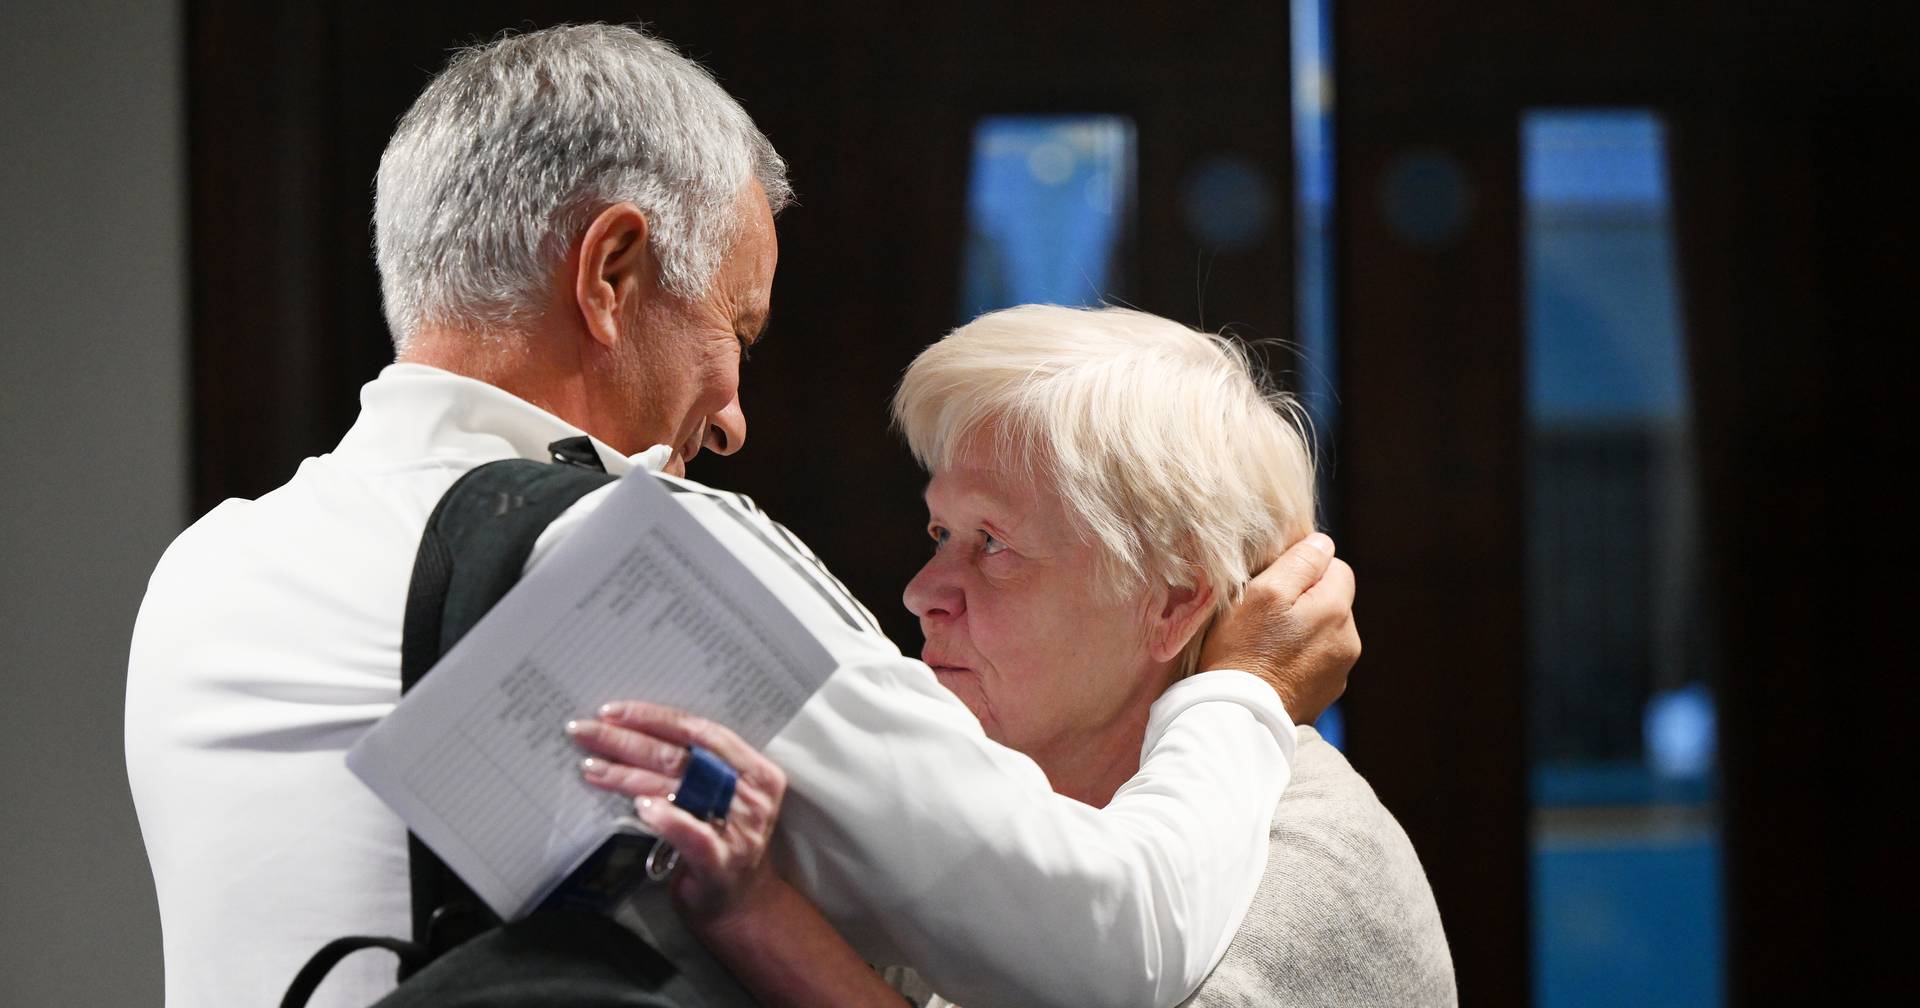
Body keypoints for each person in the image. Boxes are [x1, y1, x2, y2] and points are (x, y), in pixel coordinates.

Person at [123, 24, 1360, 1008]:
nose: (732, 420)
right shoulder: (652, 569)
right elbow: (1117, 952)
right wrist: (1245, 692)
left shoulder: (204, 568)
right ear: (612, 275)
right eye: (737, 331)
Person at [574, 305, 1451, 1006]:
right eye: (940, 531)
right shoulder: (1001, 796)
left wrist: (765, 920)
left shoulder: (1313, 864)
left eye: (992, 543)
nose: (923, 591)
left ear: (1174, 602)